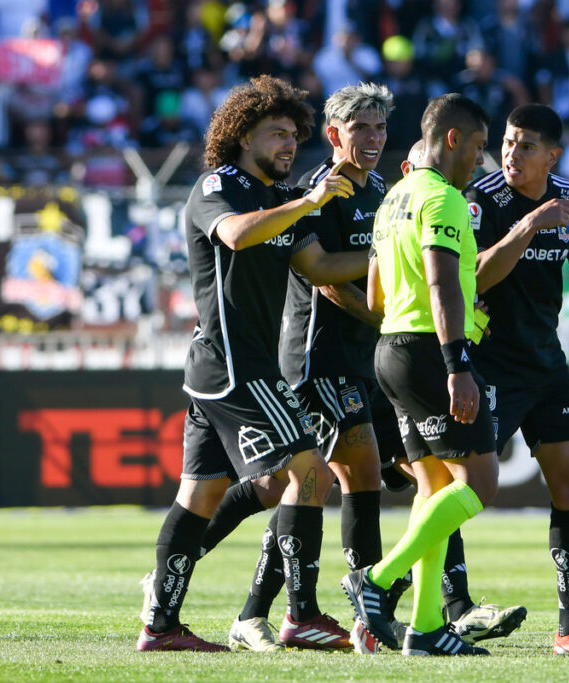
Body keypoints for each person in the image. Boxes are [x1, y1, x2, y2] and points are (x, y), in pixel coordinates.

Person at [136, 75, 368, 653]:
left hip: (233, 368)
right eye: (277, 133)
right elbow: (235, 236)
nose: (289, 145)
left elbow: (319, 267)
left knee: (203, 496)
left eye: (294, 135)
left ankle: (160, 625)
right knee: (309, 470)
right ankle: (302, 615)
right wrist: (310, 201)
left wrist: (394, 248)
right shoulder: (221, 185)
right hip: (237, 367)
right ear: (242, 135)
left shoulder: (276, 199)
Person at [464, 103, 569, 655]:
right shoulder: (482, 199)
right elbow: (472, 277)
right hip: (486, 365)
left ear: (552, 156)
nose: (512, 153)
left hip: (545, 364)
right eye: (508, 142)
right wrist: (528, 225)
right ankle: (442, 610)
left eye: (526, 146)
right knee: (460, 492)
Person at [342, 93, 498, 657]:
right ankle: (377, 580)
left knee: (433, 487)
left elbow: (376, 294)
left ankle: (427, 626)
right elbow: (440, 284)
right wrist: (458, 362)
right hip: (432, 351)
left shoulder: (393, 198)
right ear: (452, 139)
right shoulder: (443, 199)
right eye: (479, 147)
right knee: (477, 484)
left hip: (390, 348)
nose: (481, 161)